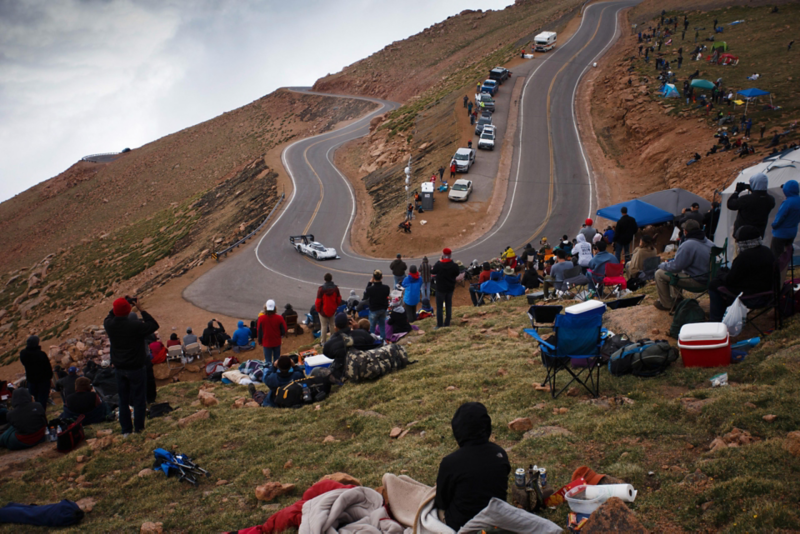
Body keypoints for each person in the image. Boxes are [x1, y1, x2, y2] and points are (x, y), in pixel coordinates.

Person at [434, 402, 510, 531]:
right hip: (497, 522)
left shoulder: (450, 463)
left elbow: (442, 502)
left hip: (462, 526)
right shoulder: (500, 454)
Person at [104, 296, 158, 436]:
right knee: (139, 398)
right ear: (129, 311)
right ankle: (138, 429)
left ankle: (126, 430)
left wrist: (121, 303)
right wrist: (140, 308)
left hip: (120, 369)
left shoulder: (109, 325)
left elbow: (111, 314)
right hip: (136, 368)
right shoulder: (135, 326)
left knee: (123, 400)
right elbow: (153, 325)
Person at [709, 226, 777, 321]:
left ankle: (716, 321)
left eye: (737, 240)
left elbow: (730, 281)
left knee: (714, 284)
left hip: (752, 297)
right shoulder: (767, 251)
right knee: (720, 280)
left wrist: (721, 273)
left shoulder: (744, 257)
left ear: (743, 241)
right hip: (767, 292)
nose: (736, 242)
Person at [653, 220, 713, 311]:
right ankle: (677, 299)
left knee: (659, 273)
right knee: (676, 271)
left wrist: (661, 265)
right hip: (708, 279)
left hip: (697, 281)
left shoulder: (687, 245)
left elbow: (675, 266)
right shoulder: (709, 242)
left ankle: (667, 304)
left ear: (685, 231)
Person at [324, 313, 379, 381]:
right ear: (349, 323)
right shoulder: (362, 333)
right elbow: (371, 340)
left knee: (317, 370)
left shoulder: (331, 342)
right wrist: (358, 329)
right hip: (365, 366)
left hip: (344, 373)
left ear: (336, 327)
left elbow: (328, 354)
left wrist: (336, 334)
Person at [727, 173, 776, 238]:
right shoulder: (771, 200)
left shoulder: (746, 199)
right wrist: (755, 191)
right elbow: (759, 200)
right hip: (758, 234)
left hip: (743, 235)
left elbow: (730, 204)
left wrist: (737, 191)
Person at [19, 335, 52, 411]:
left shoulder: (23, 353)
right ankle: (41, 412)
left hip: (31, 380)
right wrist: (49, 378)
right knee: (42, 398)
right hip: (43, 380)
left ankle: (36, 411)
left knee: (35, 397)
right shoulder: (41, 354)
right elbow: (48, 368)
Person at [770, 180, 800, 264]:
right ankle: (785, 269)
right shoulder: (798, 200)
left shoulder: (787, 202)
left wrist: (774, 225)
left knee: (776, 255)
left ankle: (776, 273)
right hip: (792, 232)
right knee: (787, 254)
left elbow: (780, 216)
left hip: (780, 234)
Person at [432, 248, 460, 329]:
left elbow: (433, 271)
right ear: (450, 255)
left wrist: (439, 260)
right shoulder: (454, 266)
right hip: (450, 288)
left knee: (439, 307)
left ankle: (439, 324)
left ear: (443, 255)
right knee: (448, 305)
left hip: (440, 289)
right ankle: (447, 322)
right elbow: (457, 273)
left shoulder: (438, 265)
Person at [315, 273, 342, 345]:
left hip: (323, 311)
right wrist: (336, 306)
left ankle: (323, 342)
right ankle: (333, 339)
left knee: (323, 326)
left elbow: (318, 301)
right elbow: (339, 299)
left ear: (324, 279)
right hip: (332, 310)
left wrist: (318, 310)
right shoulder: (336, 289)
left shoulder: (321, 289)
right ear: (331, 278)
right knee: (332, 325)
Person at [365, 270, 391, 342]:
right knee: (382, 326)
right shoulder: (386, 288)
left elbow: (365, 295)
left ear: (373, 277)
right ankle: (383, 341)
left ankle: (372, 342)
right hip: (383, 309)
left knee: (372, 328)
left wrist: (370, 282)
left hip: (374, 310)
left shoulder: (370, 289)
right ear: (382, 277)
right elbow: (387, 295)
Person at [257, 300, 287, 364]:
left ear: (265, 308)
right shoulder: (279, 318)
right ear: (275, 308)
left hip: (266, 342)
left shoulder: (261, 318)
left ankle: (269, 372)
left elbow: (259, 331)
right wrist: (281, 335)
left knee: (268, 361)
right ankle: (276, 372)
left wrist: (260, 341)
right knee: (277, 360)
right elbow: (284, 329)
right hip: (276, 341)